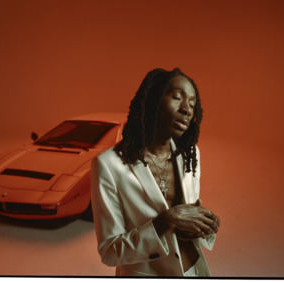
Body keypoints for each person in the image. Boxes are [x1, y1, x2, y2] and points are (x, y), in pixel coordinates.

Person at [91, 68, 220, 277]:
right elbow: (110, 251)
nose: (187, 110)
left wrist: (205, 224)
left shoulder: (190, 154)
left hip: (196, 271)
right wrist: (165, 221)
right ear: (154, 100)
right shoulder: (109, 165)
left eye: (192, 104)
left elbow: (188, 218)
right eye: (177, 97)